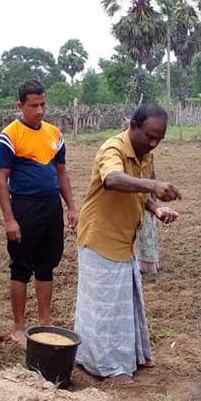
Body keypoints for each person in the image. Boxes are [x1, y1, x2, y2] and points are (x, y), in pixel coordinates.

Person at [74, 103, 180, 385]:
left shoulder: (145, 154)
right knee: (104, 309)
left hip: (124, 239)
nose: (154, 143)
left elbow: (141, 192)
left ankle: (131, 357)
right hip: (100, 238)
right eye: (149, 136)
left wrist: (156, 209)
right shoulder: (113, 149)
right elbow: (113, 179)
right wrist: (152, 186)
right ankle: (109, 368)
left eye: (160, 138)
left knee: (125, 304)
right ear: (133, 126)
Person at [0, 79, 78, 348]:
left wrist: (71, 207)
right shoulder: (9, 136)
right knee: (20, 268)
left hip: (51, 207)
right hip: (24, 207)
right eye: (33, 105)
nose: (40, 110)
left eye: (43, 104)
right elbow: (0, 180)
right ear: (20, 106)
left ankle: (44, 320)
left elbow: (62, 173)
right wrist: (9, 219)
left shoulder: (55, 133)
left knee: (47, 265)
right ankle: (18, 325)